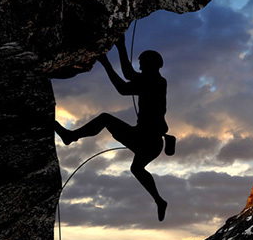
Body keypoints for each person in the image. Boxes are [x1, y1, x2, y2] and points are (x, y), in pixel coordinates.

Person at [54, 36, 175, 222]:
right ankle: (159, 201)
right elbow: (129, 74)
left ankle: (71, 136)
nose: (140, 66)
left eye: (142, 63)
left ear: (151, 65)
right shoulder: (157, 80)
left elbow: (123, 86)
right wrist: (120, 47)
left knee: (105, 119)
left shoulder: (153, 82)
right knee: (137, 168)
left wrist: (108, 61)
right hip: (152, 142)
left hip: (144, 138)